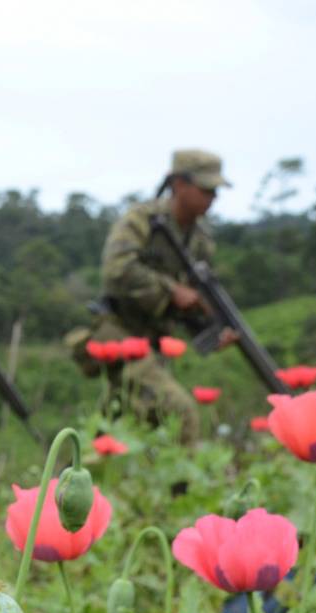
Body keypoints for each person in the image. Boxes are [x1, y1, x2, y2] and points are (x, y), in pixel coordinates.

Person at [94, 148, 234, 443]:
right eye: (205, 189)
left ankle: (66, 484)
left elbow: (190, 305)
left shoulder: (201, 242)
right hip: (119, 333)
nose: (213, 198)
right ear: (178, 184)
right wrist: (170, 290)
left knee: (110, 431)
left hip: (156, 344)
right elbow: (115, 271)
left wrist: (211, 330)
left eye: (215, 191)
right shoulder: (141, 220)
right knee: (179, 413)